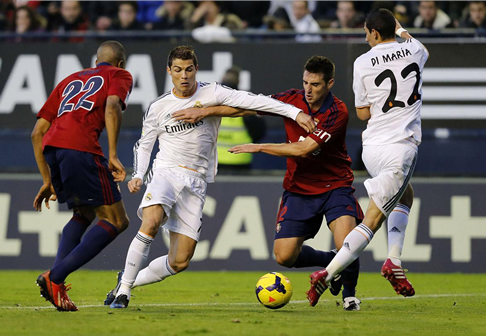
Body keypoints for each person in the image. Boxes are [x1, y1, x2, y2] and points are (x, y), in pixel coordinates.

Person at [104, 45, 315, 309]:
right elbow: (145, 144)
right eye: (178, 70)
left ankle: (127, 279)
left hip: (196, 181)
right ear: (169, 71)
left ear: (196, 70)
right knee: (152, 220)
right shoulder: (158, 107)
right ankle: (124, 293)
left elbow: (256, 100)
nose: (184, 76)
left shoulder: (214, 92)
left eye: (189, 70)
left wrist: (295, 112)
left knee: (179, 261)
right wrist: (138, 175)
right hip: (166, 172)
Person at [172, 56, 364, 311]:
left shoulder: (337, 111)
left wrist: (259, 147)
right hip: (299, 188)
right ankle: (333, 263)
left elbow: (303, 149)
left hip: (334, 185)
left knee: (347, 243)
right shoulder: (291, 99)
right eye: (305, 82)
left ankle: (349, 297)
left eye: (315, 85)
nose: (308, 89)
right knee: (284, 256)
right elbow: (246, 107)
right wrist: (204, 111)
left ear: (329, 84)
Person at [307, 8, 429, 306]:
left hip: (372, 147)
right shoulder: (414, 50)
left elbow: (362, 113)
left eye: (366, 33)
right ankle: (326, 274)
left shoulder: (362, 62)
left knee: (405, 197)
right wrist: (401, 30)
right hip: (400, 148)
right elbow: (418, 45)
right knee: (373, 220)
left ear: (374, 33)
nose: (366, 37)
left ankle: (394, 260)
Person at [31, 41, 133, 312]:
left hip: (54, 149)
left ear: (95, 60)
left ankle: (57, 282)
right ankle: (55, 276)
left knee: (83, 214)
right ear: (121, 63)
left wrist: (47, 179)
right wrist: (112, 154)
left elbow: (37, 132)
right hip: (82, 149)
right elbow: (112, 106)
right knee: (116, 220)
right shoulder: (119, 75)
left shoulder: (70, 80)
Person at [217, 66, 266, 173]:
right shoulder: (245, 102)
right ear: (239, 81)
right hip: (240, 159)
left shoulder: (212, 101)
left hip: (215, 160)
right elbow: (259, 130)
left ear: (223, 79)